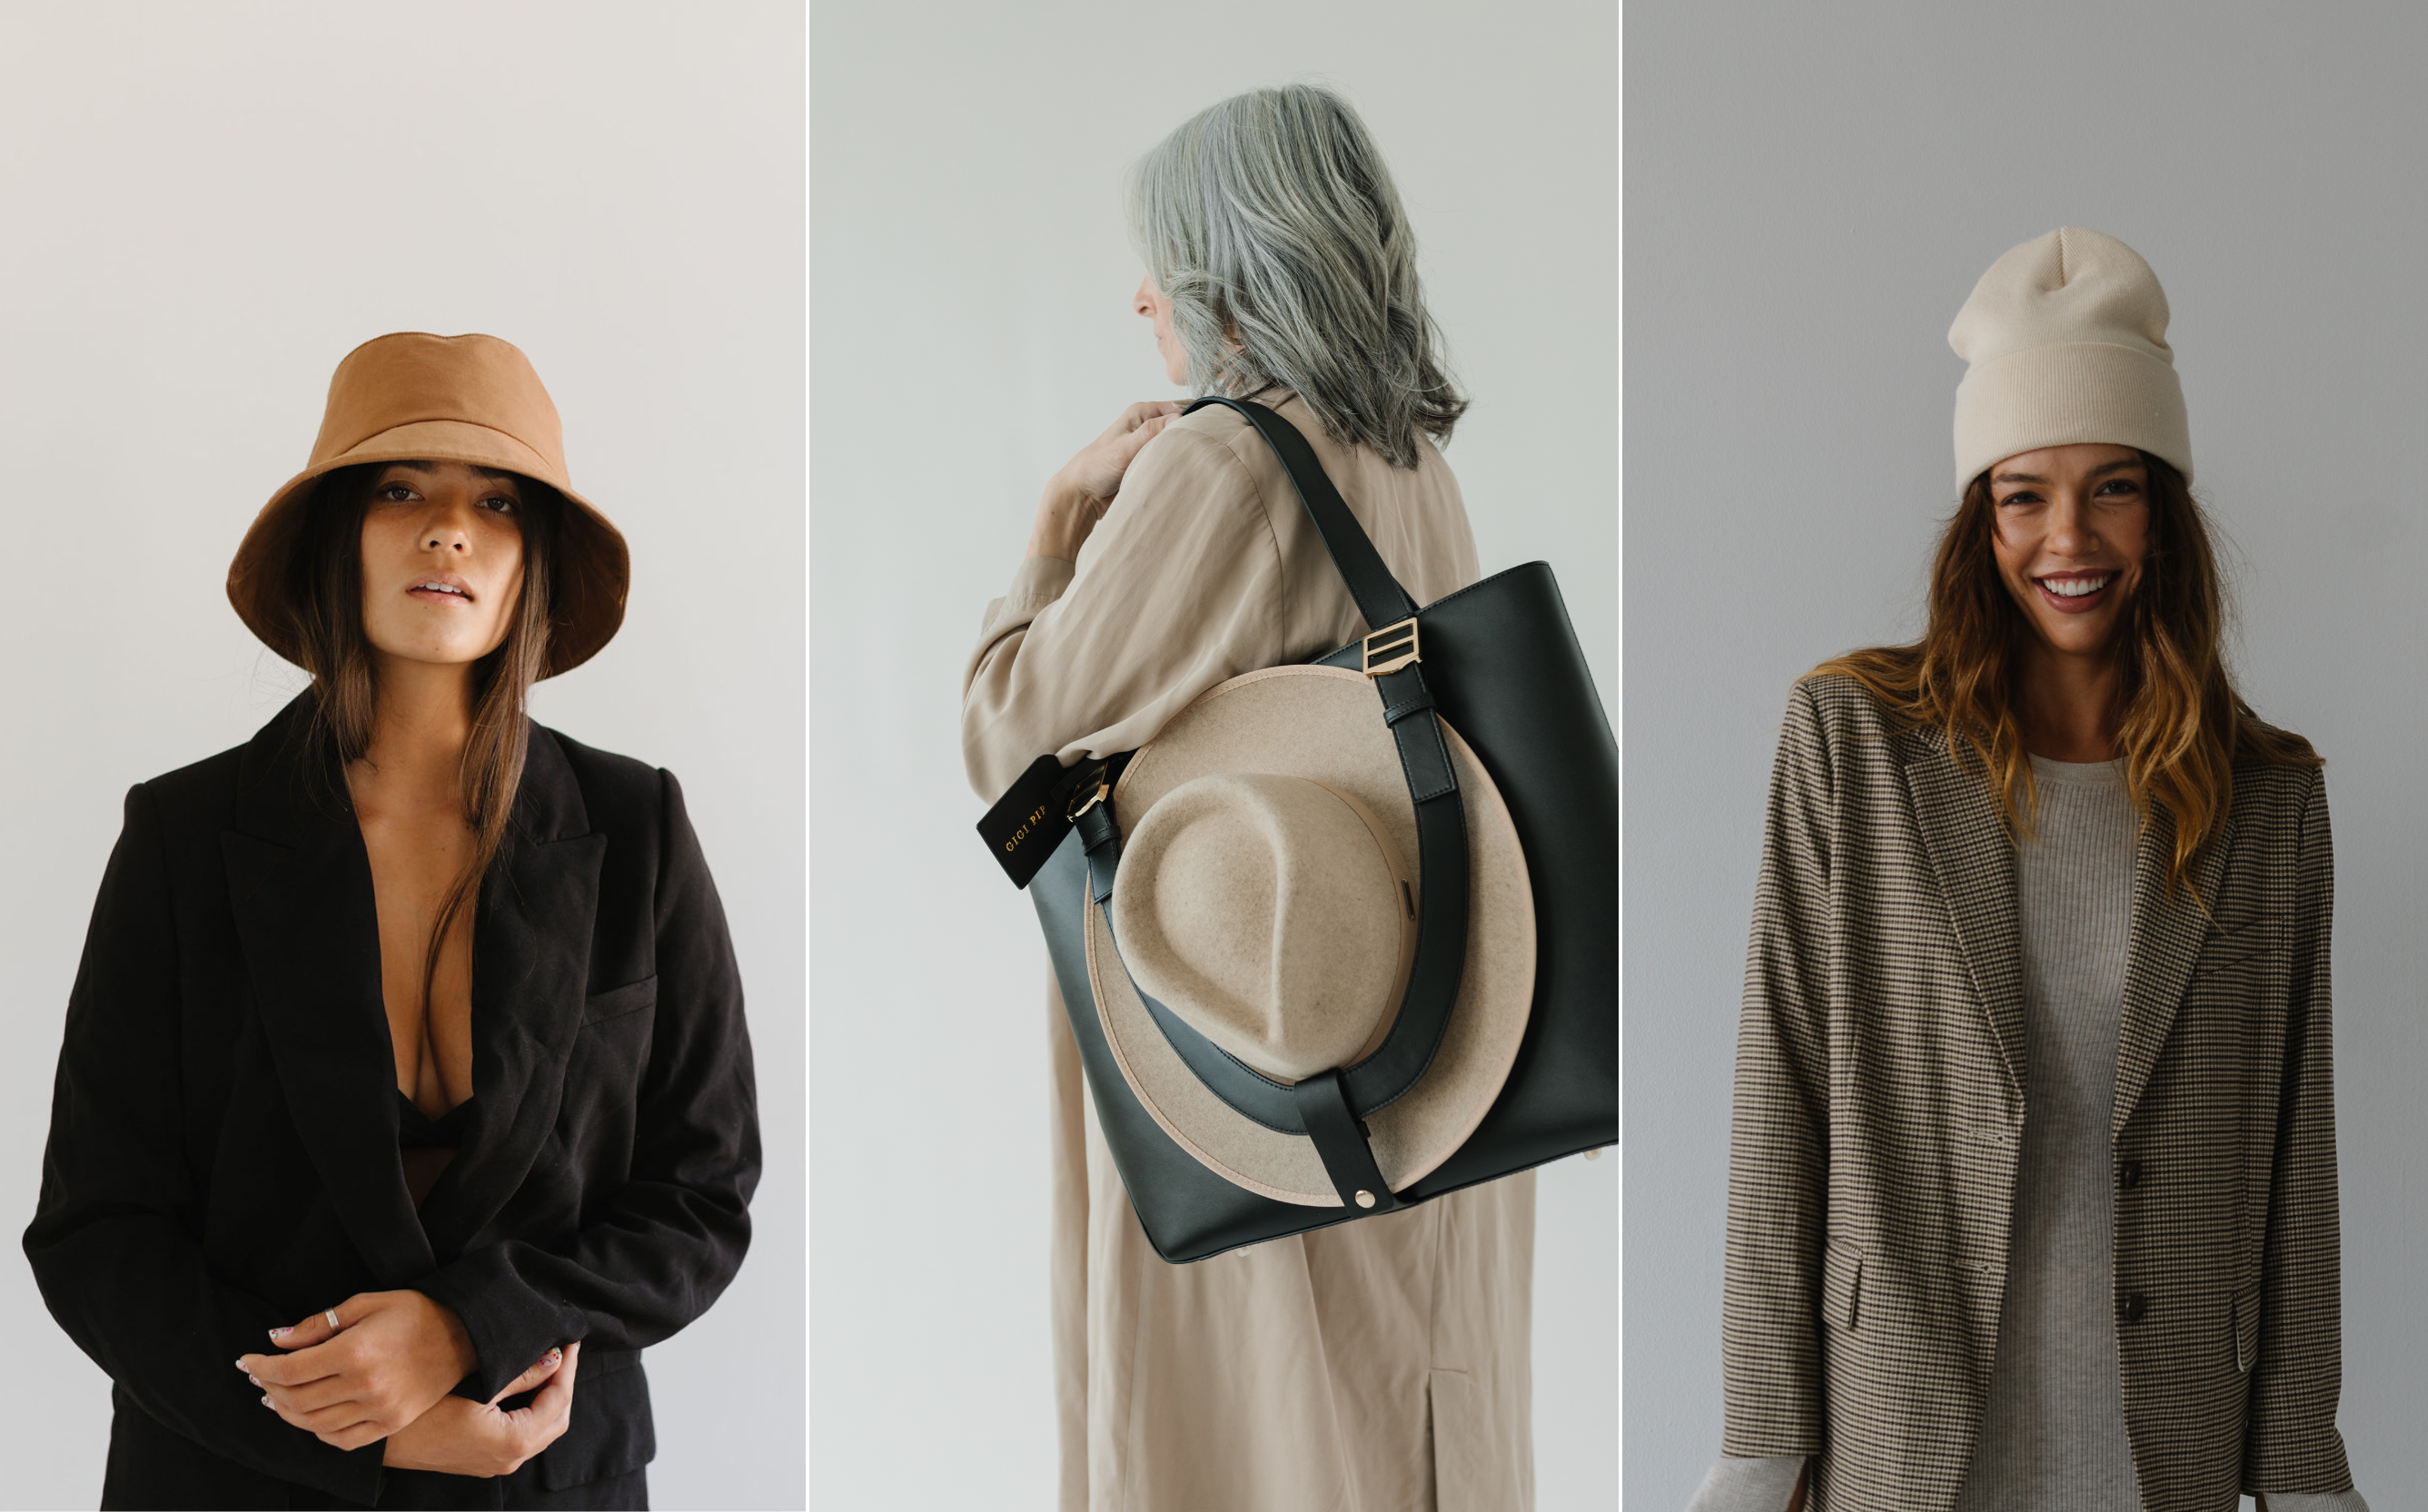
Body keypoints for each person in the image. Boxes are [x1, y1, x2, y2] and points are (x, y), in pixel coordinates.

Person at [1689, 229, 2366, 1512]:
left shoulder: (2271, 802)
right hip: (1903, 1430)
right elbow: (1781, 1098)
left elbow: (2296, 1166)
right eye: (2024, 494)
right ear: (1980, 518)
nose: (2071, 537)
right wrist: (1760, 1443)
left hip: (2167, 1447)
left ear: (2162, 511)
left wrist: (2301, 1469)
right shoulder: (1853, 745)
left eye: (2114, 486)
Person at [25, 332, 760, 1510]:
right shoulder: (181, 836)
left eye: (497, 502)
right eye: (401, 490)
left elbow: (700, 1200)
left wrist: (473, 1328)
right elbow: (99, 1234)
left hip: (548, 1484)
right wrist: (360, 1434)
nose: (448, 529)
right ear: (338, 536)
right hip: (234, 1482)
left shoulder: (639, 829)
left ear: (534, 557)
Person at [962, 85, 1536, 1511]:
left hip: (1257, 1086)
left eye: (1163, 259)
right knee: (1404, 1428)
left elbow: (1014, 746)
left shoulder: (1226, 464)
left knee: (1261, 1442)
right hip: (1430, 1054)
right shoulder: (1411, 463)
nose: (1140, 298)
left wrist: (1051, 534)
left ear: (1225, 273)